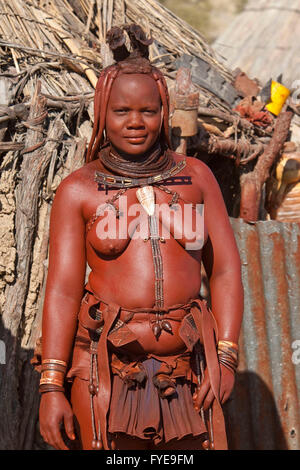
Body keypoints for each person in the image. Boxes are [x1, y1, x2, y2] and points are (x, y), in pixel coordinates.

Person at [37, 24, 244, 451]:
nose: (135, 123)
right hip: (106, 375)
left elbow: (224, 270)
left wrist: (225, 359)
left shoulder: (196, 178)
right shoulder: (80, 189)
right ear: (102, 113)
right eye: (121, 112)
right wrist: (52, 386)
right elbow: (61, 290)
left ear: (163, 113)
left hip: (189, 372)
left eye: (148, 111)